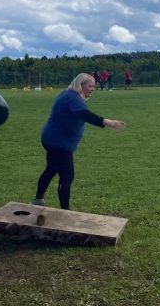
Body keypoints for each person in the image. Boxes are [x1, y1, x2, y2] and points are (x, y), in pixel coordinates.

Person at [31, 73, 126, 210]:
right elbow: (83, 114)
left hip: (52, 139)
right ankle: (65, 211)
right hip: (59, 143)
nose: (93, 89)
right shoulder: (72, 98)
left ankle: (38, 200)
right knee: (67, 176)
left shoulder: (69, 94)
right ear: (80, 85)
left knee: (51, 169)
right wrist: (107, 122)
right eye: (90, 86)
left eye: (94, 86)